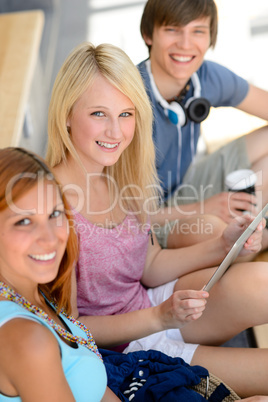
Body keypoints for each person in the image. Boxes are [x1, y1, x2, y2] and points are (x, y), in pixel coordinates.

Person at [46, 41, 268, 399]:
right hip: (128, 350)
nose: (116, 133)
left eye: (126, 114)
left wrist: (223, 244)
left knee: (262, 280)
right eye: (99, 114)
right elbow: (70, 329)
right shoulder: (52, 206)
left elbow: (149, 265)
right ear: (67, 114)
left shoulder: (120, 174)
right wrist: (158, 319)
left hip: (151, 302)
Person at [137, 0, 268, 249]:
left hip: (189, 183)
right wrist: (201, 208)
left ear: (210, 38)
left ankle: (254, 231)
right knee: (223, 235)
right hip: (146, 219)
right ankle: (256, 238)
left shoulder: (205, 76)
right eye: (172, 29)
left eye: (197, 31)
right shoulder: (126, 101)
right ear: (148, 34)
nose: (186, 44)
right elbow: (114, 216)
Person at [0, 147, 120, 401]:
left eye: (54, 214)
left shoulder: (32, 289)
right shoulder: (26, 339)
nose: (50, 238)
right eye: (23, 221)